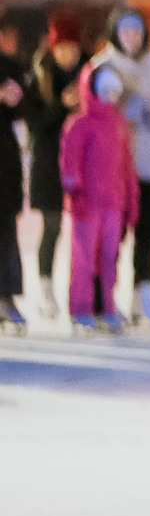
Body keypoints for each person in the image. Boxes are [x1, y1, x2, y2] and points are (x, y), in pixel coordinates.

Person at [99, 8, 150, 327]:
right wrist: (137, 103)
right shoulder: (104, 67)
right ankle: (105, 297)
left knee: (147, 232)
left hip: (148, 162)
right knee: (113, 235)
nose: (132, 37)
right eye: (126, 31)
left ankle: (142, 294)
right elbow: (103, 110)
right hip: (117, 165)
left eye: (137, 31)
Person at [59, 62, 137, 335]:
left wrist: (131, 202)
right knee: (84, 257)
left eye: (115, 92)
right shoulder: (79, 124)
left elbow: (127, 167)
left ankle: (107, 307)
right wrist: (75, 194)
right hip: (88, 205)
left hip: (114, 204)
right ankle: (81, 308)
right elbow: (70, 162)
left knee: (109, 257)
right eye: (105, 91)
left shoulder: (120, 124)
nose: (111, 97)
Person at [26, 14, 88, 320]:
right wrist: (61, 105)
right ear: (53, 48)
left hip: (84, 166)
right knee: (51, 226)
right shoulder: (40, 76)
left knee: (84, 228)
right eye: (63, 48)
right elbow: (34, 124)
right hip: (49, 165)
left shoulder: (89, 75)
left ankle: (82, 290)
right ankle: (45, 286)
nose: (69, 54)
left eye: (73, 48)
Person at [0, 23, 28, 332]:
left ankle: (6, 297)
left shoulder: (8, 66)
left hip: (4, 161)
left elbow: (28, 110)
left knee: (6, 230)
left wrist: (17, 97)